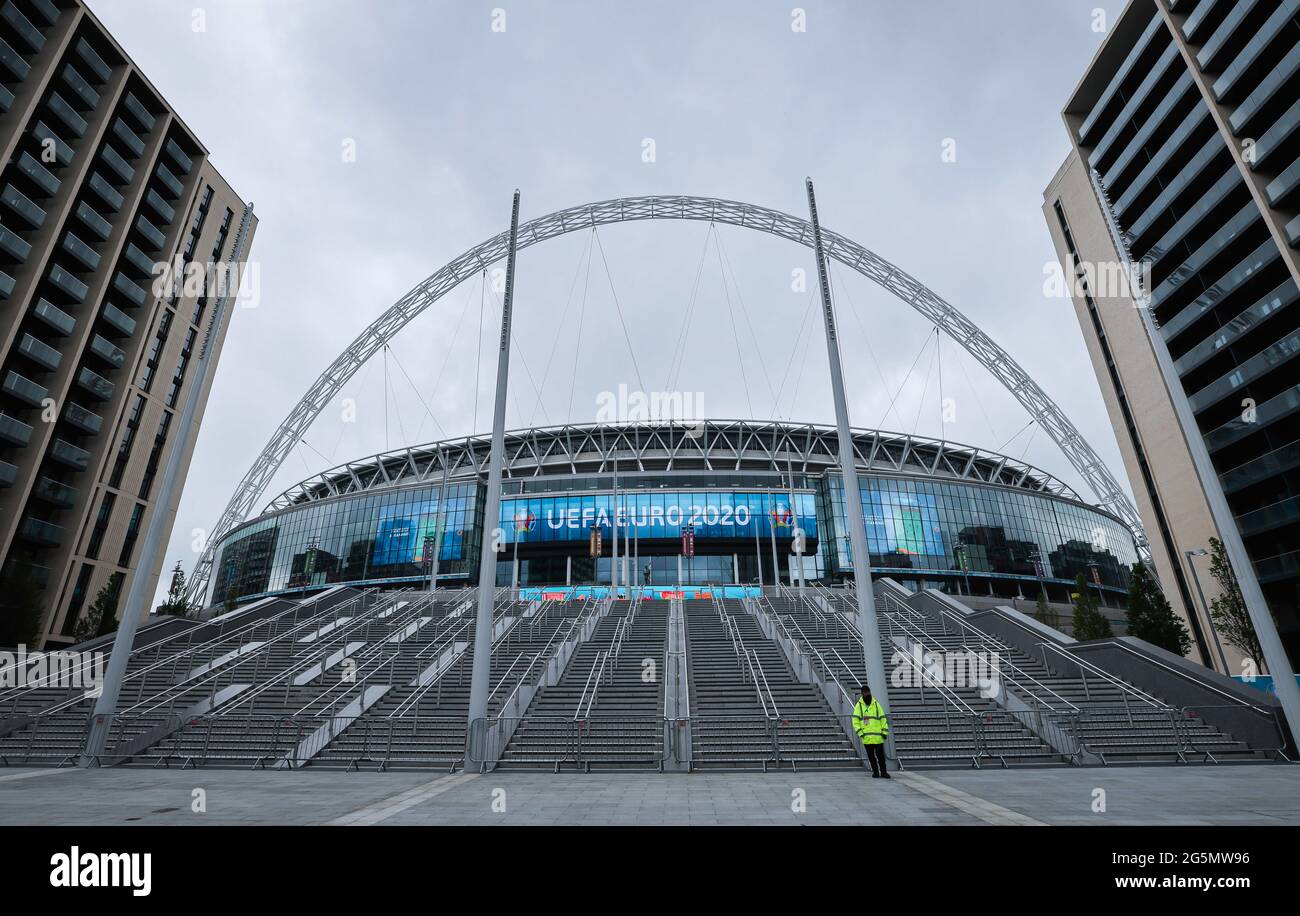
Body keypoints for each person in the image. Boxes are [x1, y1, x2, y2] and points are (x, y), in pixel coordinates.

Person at [852, 684, 890, 778]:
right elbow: (855, 721)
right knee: (871, 757)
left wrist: (884, 732)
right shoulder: (859, 706)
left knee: (881, 757)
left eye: (868, 692)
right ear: (862, 694)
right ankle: (876, 772)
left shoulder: (876, 704)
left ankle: (883, 772)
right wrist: (860, 733)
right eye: (865, 693)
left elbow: (882, 718)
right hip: (867, 738)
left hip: (878, 737)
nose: (867, 694)